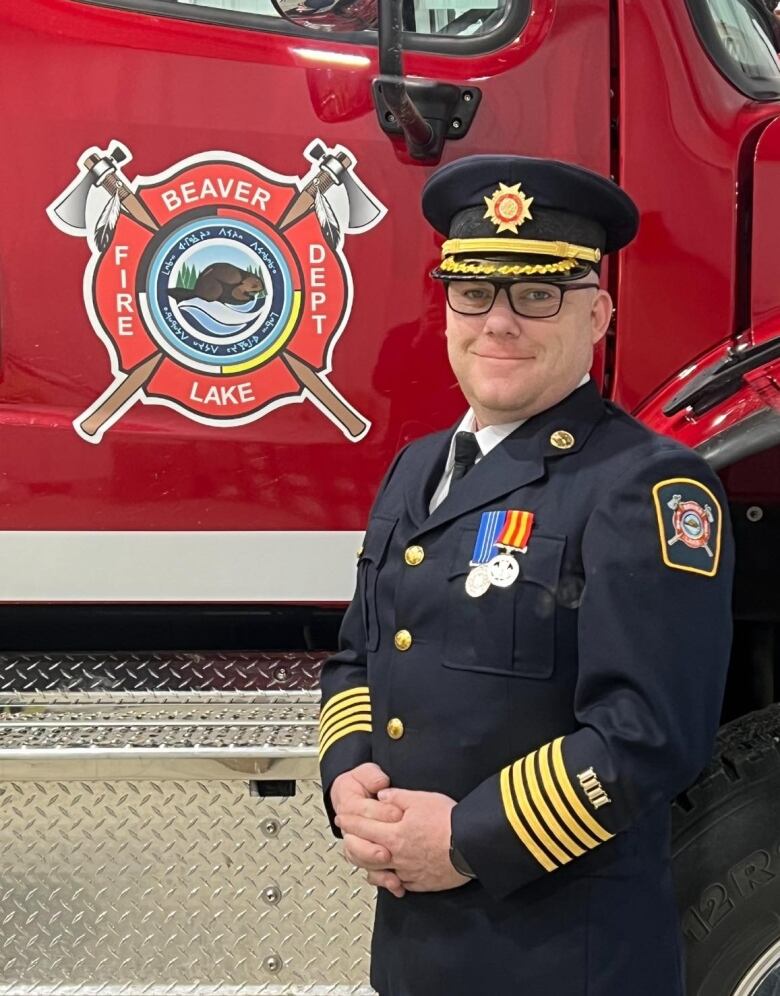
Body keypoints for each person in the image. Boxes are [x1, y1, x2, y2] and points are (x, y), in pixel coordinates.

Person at [317, 154, 734, 996]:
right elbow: (361, 656)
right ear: (448, 309)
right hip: (412, 950)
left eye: (537, 295)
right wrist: (348, 778)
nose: (498, 322)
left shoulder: (646, 486)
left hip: (561, 960)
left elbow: (647, 735)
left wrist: (467, 838)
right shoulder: (416, 468)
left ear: (598, 314)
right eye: (475, 293)